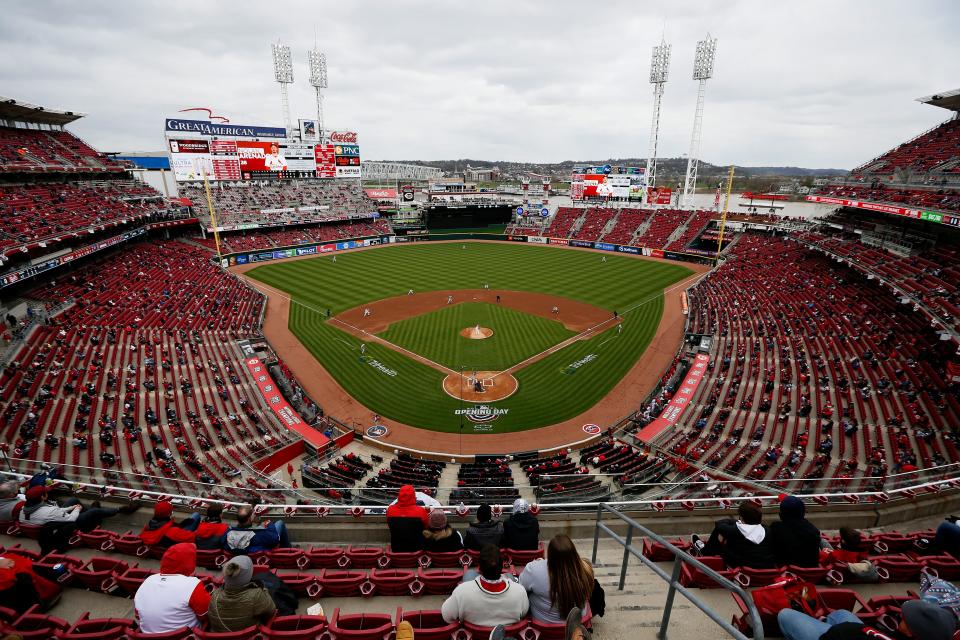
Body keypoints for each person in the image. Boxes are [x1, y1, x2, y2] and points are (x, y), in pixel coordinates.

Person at [441, 544, 529, 627]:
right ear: (502, 565)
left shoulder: (461, 591)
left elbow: (446, 616)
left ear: (479, 568)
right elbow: (524, 613)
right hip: (505, 635)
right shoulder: (520, 591)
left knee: (469, 573)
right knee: (509, 576)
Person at [777, 599, 955, 640]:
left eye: (907, 620)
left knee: (785, 614)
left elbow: (834, 636)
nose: (903, 616)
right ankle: (823, 620)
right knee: (841, 613)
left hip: (836, 636)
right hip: (850, 631)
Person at [134, 543, 210, 634]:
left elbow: (138, 615)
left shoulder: (148, 580)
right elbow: (205, 614)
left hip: (147, 636)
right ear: (188, 563)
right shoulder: (193, 584)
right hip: (184, 636)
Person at [519, 534, 594, 623]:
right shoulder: (586, 570)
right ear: (573, 552)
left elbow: (521, 585)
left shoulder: (533, 569)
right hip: (574, 625)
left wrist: (538, 564)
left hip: (541, 624)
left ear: (550, 555)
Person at [696, 501, 775, 568]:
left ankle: (705, 552)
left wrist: (735, 522)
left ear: (741, 517)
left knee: (720, 534)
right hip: (766, 565)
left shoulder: (735, 530)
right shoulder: (767, 530)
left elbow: (719, 525)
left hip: (743, 564)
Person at [207, 556, 276, 632]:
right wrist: (264, 590)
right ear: (249, 575)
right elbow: (271, 611)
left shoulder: (215, 595)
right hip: (248, 636)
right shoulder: (256, 595)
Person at [18, 485, 121, 531]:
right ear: (42, 497)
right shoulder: (49, 510)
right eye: (45, 492)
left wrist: (72, 507)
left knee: (72, 500)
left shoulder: (23, 510)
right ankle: (118, 510)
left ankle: (89, 516)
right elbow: (71, 518)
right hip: (67, 526)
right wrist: (77, 509)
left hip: (54, 522)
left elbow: (55, 512)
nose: (47, 493)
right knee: (94, 510)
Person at [769, 496, 821, 568]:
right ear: (803, 513)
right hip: (810, 576)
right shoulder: (814, 531)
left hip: (784, 573)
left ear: (781, 515)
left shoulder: (775, 528)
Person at [223, 506, 290, 555]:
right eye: (252, 514)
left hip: (248, 553)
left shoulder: (229, 532)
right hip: (262, 554)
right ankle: (288, 550)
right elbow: (275, 539)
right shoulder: (258, 534)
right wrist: (269, 523)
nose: (254, 514)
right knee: (280, 523)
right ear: (250, 518)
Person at [386, 484, 430, 552]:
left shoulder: (390, 510)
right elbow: (427, 527)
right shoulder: (421, 511)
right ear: (413, 496)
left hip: (397, 549)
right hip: (417, 550)